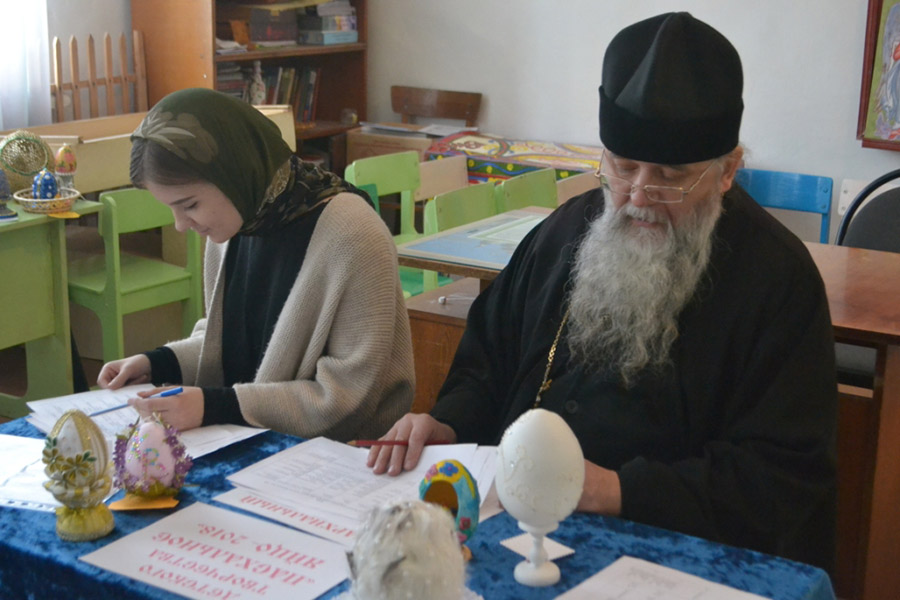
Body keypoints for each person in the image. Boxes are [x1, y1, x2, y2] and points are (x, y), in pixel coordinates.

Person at [369, 12, 837, 570]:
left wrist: (613, 490)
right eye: (623, 166)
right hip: (516, 526)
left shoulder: (778, 281)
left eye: (669, 176)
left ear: (728, 170)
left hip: (672, 555)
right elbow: (487, 364)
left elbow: (779, 477)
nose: (638, 195)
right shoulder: (563, 233)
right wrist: (446, 423)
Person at [98, 88, 414, 442]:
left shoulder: (352, 234)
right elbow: (226, 345)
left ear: (234, 173)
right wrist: (157, 363)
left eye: (189, 205)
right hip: (248, 438)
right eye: (171, 208)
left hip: (346, 454)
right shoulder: (237, 223)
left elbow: (347, 399)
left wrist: (214, 406)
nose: (181, 224)